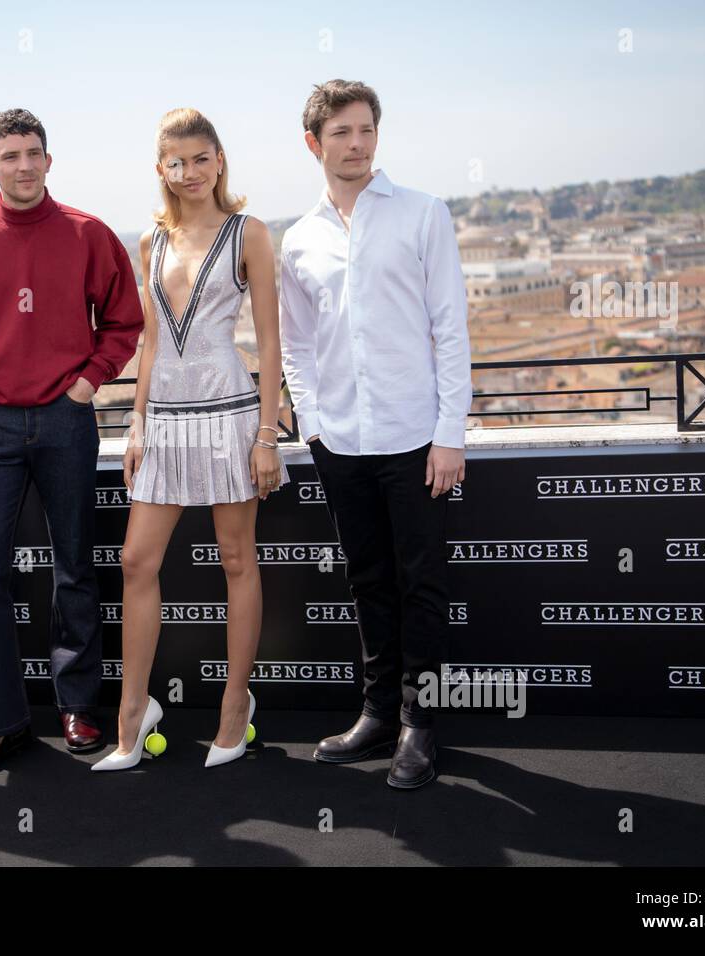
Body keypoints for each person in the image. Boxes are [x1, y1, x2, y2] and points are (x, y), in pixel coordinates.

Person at [0, 109, 145, 779]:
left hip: (66, 419)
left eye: (34, 153)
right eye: (11, 155)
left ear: (49, 161)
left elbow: (124, 321)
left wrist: (85, 386)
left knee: (74, 565)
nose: (24, 165)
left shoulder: (88, 234)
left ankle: (78, 706)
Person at [278, 80, 472, 790]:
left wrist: (449, 434)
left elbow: (450, 329)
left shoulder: (423, 214)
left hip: (417, 438)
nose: (356, 144)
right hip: (342, 445)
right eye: (341, 133)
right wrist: (315, 424)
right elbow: (296, 345)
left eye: (365, 130)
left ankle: (421, 724)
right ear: (314, 144)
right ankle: (377, 714)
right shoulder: (298, 239)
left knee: (421, 582)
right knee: (367, 582)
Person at [92, 108, 288, 772]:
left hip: (232, 415)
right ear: (161, 170)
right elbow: (148, 344)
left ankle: (236, 709)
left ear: (220, 159)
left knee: (238, 562)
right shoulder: (149, 241)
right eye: (176, 162)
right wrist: (137, 424)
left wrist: (267, 435)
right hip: (167, 422)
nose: (190, 172)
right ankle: (133, 711)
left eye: (201, 158)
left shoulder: (249, 234)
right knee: (136, 562)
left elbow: (268, 340)